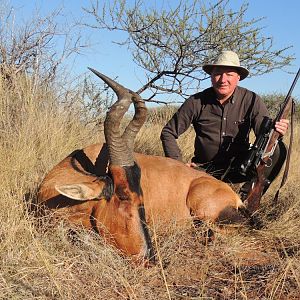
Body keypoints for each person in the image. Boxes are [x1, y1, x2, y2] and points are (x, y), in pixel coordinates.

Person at [160, 50, 289, 198]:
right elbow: (168, 132)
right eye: (218, 73)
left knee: (278, 149)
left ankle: (251, 195)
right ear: (211, 76)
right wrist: (179, 166)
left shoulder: (251, 99)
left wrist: (276, 131)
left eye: (229, 74)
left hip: (241, 167)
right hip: (204, 169)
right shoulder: (195, 101)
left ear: (238, 78)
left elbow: (264, 135)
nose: (223, 79)